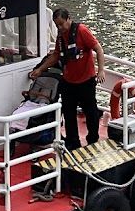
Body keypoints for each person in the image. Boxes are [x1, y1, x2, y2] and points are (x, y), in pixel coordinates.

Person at [28, 8, 106, 151]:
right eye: (57, 25)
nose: (60, 28)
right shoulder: (60, 36)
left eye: (62, 24)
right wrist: (40, 69)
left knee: (91, 113)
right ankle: (73, 142)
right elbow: (56, 56)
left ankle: (93, 139)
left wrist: (100, 70)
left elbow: (98, 49)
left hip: (86, 81)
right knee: (68, 113)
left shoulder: (82, 31)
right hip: (69, 82)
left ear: (69, 19)